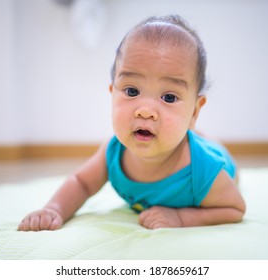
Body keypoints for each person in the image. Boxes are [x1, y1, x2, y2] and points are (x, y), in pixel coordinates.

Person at [18, 15, 245, 231]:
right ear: (112, 93)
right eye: (132, 91)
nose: (145, 110)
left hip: (218, 160)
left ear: (194, 111)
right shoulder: (114, 152)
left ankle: (204, 138)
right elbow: (81, 183)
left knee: (209, 147)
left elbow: (234, 208)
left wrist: (180, 217)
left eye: (169, 97)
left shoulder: (204, 169)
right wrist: (53, 209)